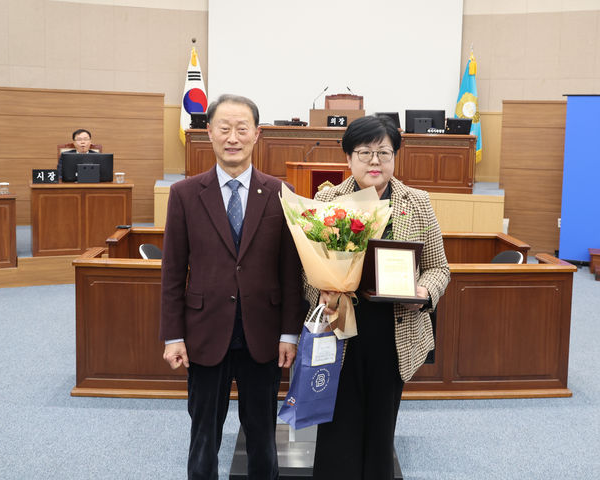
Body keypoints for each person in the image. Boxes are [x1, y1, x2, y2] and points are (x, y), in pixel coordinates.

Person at [160, 94, 305, 480]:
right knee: (204, 435)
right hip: (205, 334)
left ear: (257, 134)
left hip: (264, 335)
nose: (233, 137)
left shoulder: (280, 193)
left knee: (262, 436)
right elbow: (173, 272)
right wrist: (172, 336)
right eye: (224, 128)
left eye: (242, 129)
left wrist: (290, 333)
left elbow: (291, 273)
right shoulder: (185, 194)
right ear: (208, 133)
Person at [309, 115, 450, 479]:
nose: (375, 161)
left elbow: (439, 269)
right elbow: (306, 270)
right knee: (337, 424)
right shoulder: (328, 199)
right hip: (341, 331)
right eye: (365, 152)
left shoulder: (417, 202)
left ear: (395, 157)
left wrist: (423, 291)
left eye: (383, 153)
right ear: (348, 158)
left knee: (380, 428)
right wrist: (321, 292)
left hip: (393, 333)